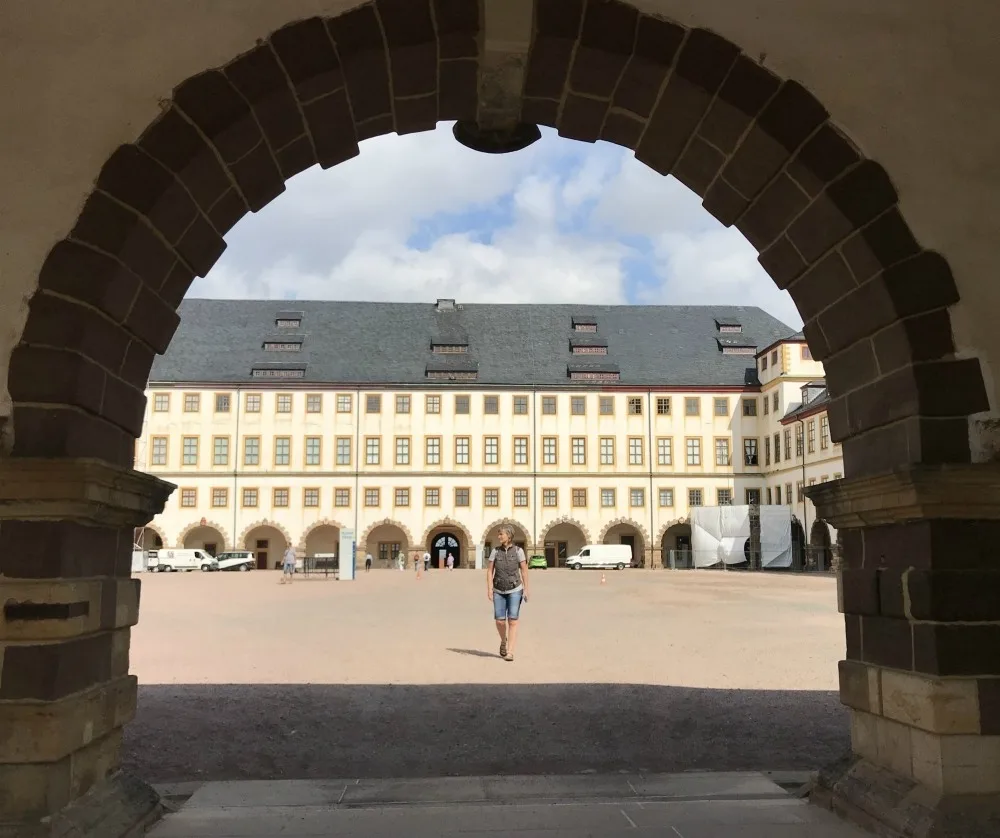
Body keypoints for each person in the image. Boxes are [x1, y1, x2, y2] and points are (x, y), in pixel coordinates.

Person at [486, 524, 529, 662]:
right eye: (499, 534)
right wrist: (489, 588)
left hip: (515, 589)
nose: (499, 537)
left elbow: (524, 570)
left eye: (501, 534)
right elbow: (489, 571)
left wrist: (526, 589)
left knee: (513, 620)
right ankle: (503, 640)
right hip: (498, 589)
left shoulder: (518, 551)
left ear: (509, 536)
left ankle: (510, 651)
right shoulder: (495, 551)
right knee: (499, 621)